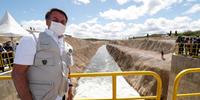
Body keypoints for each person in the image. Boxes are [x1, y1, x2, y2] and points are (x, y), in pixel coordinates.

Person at [12, 8, 74, 100]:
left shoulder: (67, 46)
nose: (59, 24)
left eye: (63, 22)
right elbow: (18, 73)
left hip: (62, 96)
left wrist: (70, 91)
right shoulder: (32, 40)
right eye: (55, 20)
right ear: (47, 21)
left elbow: (66, 70)